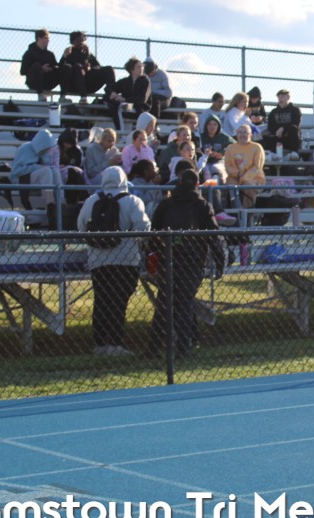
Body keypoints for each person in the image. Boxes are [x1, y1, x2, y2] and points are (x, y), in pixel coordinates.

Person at [77, 165, 150, 357]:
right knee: (119, 301)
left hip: (98, 259)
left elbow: (81, 226)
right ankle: (115, 342)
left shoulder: (91, 201)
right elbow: (143, 227)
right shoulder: (132, 201)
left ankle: (100, 343)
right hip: (126, 259)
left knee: (101, 299)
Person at [148, 168, 220, 358]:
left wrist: (152, 255)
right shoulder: (202, 205)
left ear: (179, 182)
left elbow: (154, 232)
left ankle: (154, 347)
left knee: (164, 303)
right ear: (197, 184)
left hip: (168, 258)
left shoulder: (167, 204)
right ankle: (183, 347)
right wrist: (220, 261)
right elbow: (214, 235)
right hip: (193, 260)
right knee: (185, 303)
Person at [10, 128, 60, 213]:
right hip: (22, 178)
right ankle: (49, 204)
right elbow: (16, 172)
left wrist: (41, 167)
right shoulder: (24, 148)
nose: (48, 149)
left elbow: (45, 165)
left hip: (39, 178)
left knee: (54, 171)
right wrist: (37, 167)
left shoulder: (44, 152)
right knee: (46, 171)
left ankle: (60, 202)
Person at [58, 31, 116, 103]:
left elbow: (97, 66)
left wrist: (90, 66)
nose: (81, 42)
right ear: (73, 42)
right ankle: (83, 97)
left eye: (83, 40)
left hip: (87, 83)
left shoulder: (87, 53)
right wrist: (64, 56)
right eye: (78, 40)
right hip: (73, 84)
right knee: (78, 67)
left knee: (108, 69)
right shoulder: (69, 52)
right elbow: (60, 68)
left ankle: (111, 94)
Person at [224, 124, 266, 210]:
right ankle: (233, 214)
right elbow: (227, 166)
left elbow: (257, 167)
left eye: (245, 132)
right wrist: (238, 174)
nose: (242, 135)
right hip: (235, 177)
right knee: (231, 187)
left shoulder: (257, 147)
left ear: (250, 135)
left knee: (247, 186)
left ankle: (248, 214)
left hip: (254, 178)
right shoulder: (230, 148)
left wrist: (244, 178)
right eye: (240, 132)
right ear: (236, 134)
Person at [108, 57, 151, 126]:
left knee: (121, 106)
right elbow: (109, 88)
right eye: (138, 67)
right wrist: (112, 93)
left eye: (142, 66)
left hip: (140, 108)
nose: (141, 69)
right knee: (116, 105)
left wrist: (125, 99)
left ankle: (122, 130)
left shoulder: (145, 81)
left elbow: (142, 100)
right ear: (132, 69)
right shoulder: (126, 81)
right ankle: (120, 129)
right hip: (128, 106)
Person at [20, 28, 60, 100]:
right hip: (33, 82)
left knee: (64, 68)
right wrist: (41, 68)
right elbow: (23, 71)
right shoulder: (29, 53)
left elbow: (56, 66)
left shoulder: (50, 54)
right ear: (39, 38)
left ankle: (63, 96)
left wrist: (51, 68)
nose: (48, 40)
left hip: (47, 81)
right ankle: (40, 94)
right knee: (37, 65)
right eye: (46, 38)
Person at [262, 89, 302, 154]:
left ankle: (294, 153)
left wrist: (283, 128)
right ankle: (270, 155)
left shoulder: (295, 110)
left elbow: (296, 123)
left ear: (288, 97)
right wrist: (277, 131)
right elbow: (270, 127)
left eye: (283, 97)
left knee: (294, 129)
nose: (280, 99)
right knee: (264, 136)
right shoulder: (273, 112)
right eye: (279, 97)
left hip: (290, 138)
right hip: (278, 137)